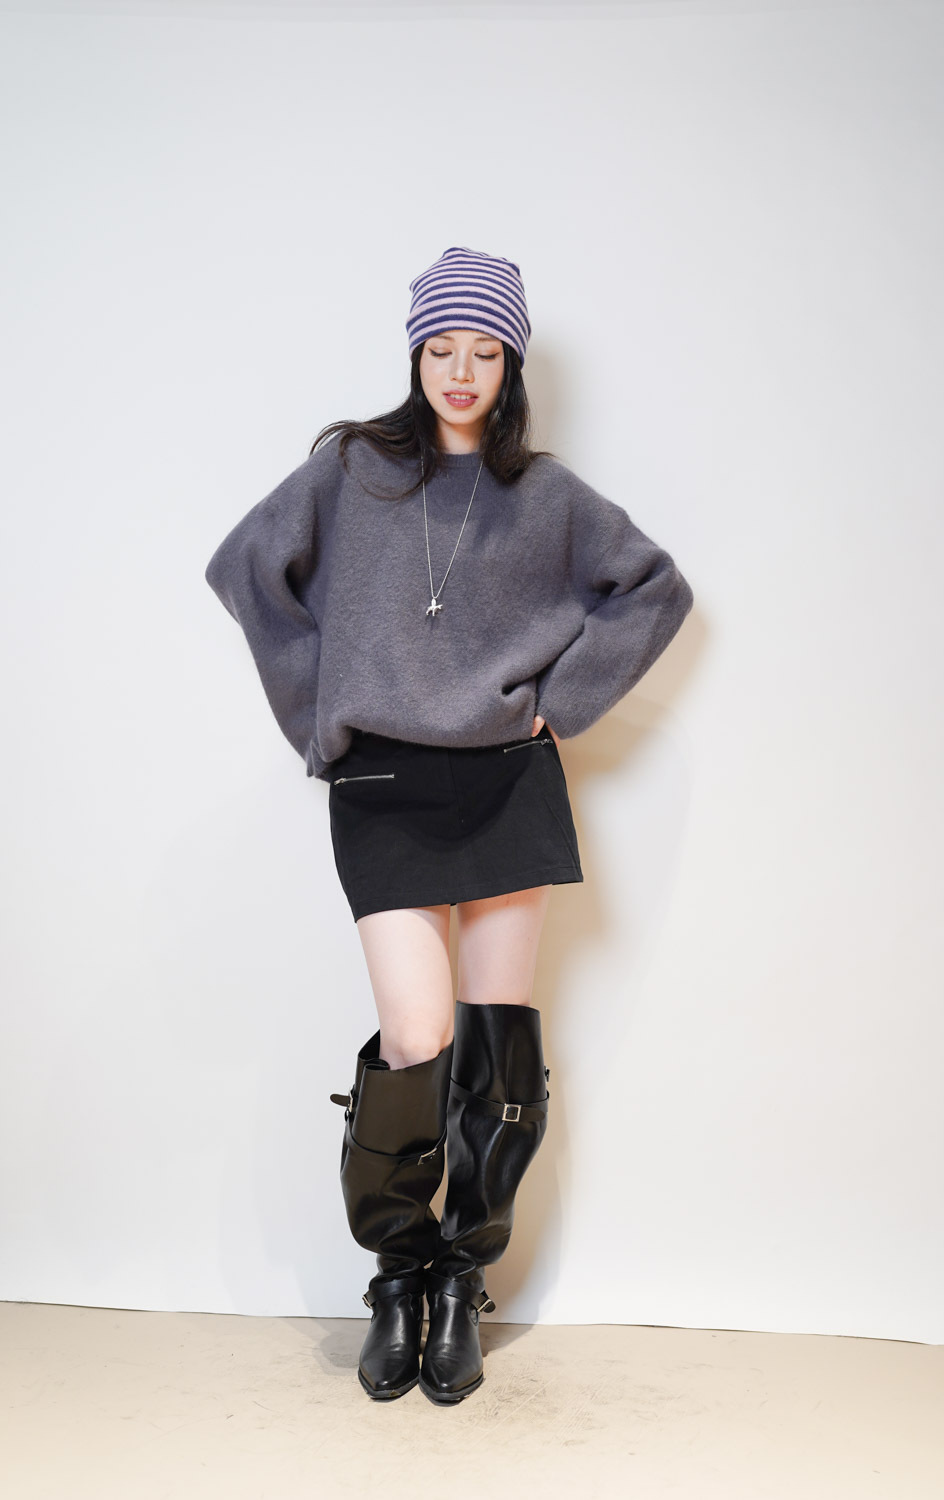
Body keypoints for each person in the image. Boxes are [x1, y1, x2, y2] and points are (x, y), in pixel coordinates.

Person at [205, 245, 694, 1405]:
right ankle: (396, 1270)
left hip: (507, 783)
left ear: (509, 364)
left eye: (483, 351)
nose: (460, 371)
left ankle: (460, 1278)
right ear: (416, 355)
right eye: (441, 348)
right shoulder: (352, 471)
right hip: (382, 785)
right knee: (415, 1037)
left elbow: (655, 589)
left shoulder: (547, 496)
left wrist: (560, 701)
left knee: (494, 1043)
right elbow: (245, 570)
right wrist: (320, 711)